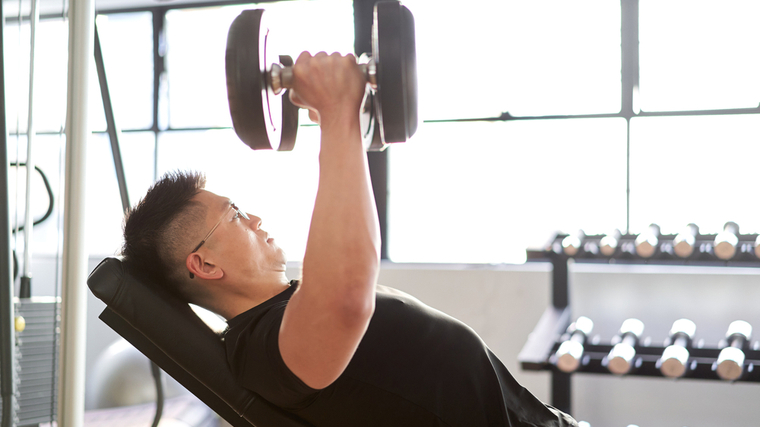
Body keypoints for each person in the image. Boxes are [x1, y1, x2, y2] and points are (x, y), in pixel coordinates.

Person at [121, 51, 577, 427]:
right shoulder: (259, 348)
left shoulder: (285, 310)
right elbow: (345, 297)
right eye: (235, 215)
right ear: (204, 265)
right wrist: (338, 113)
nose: (255, 217)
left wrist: (333, 114)